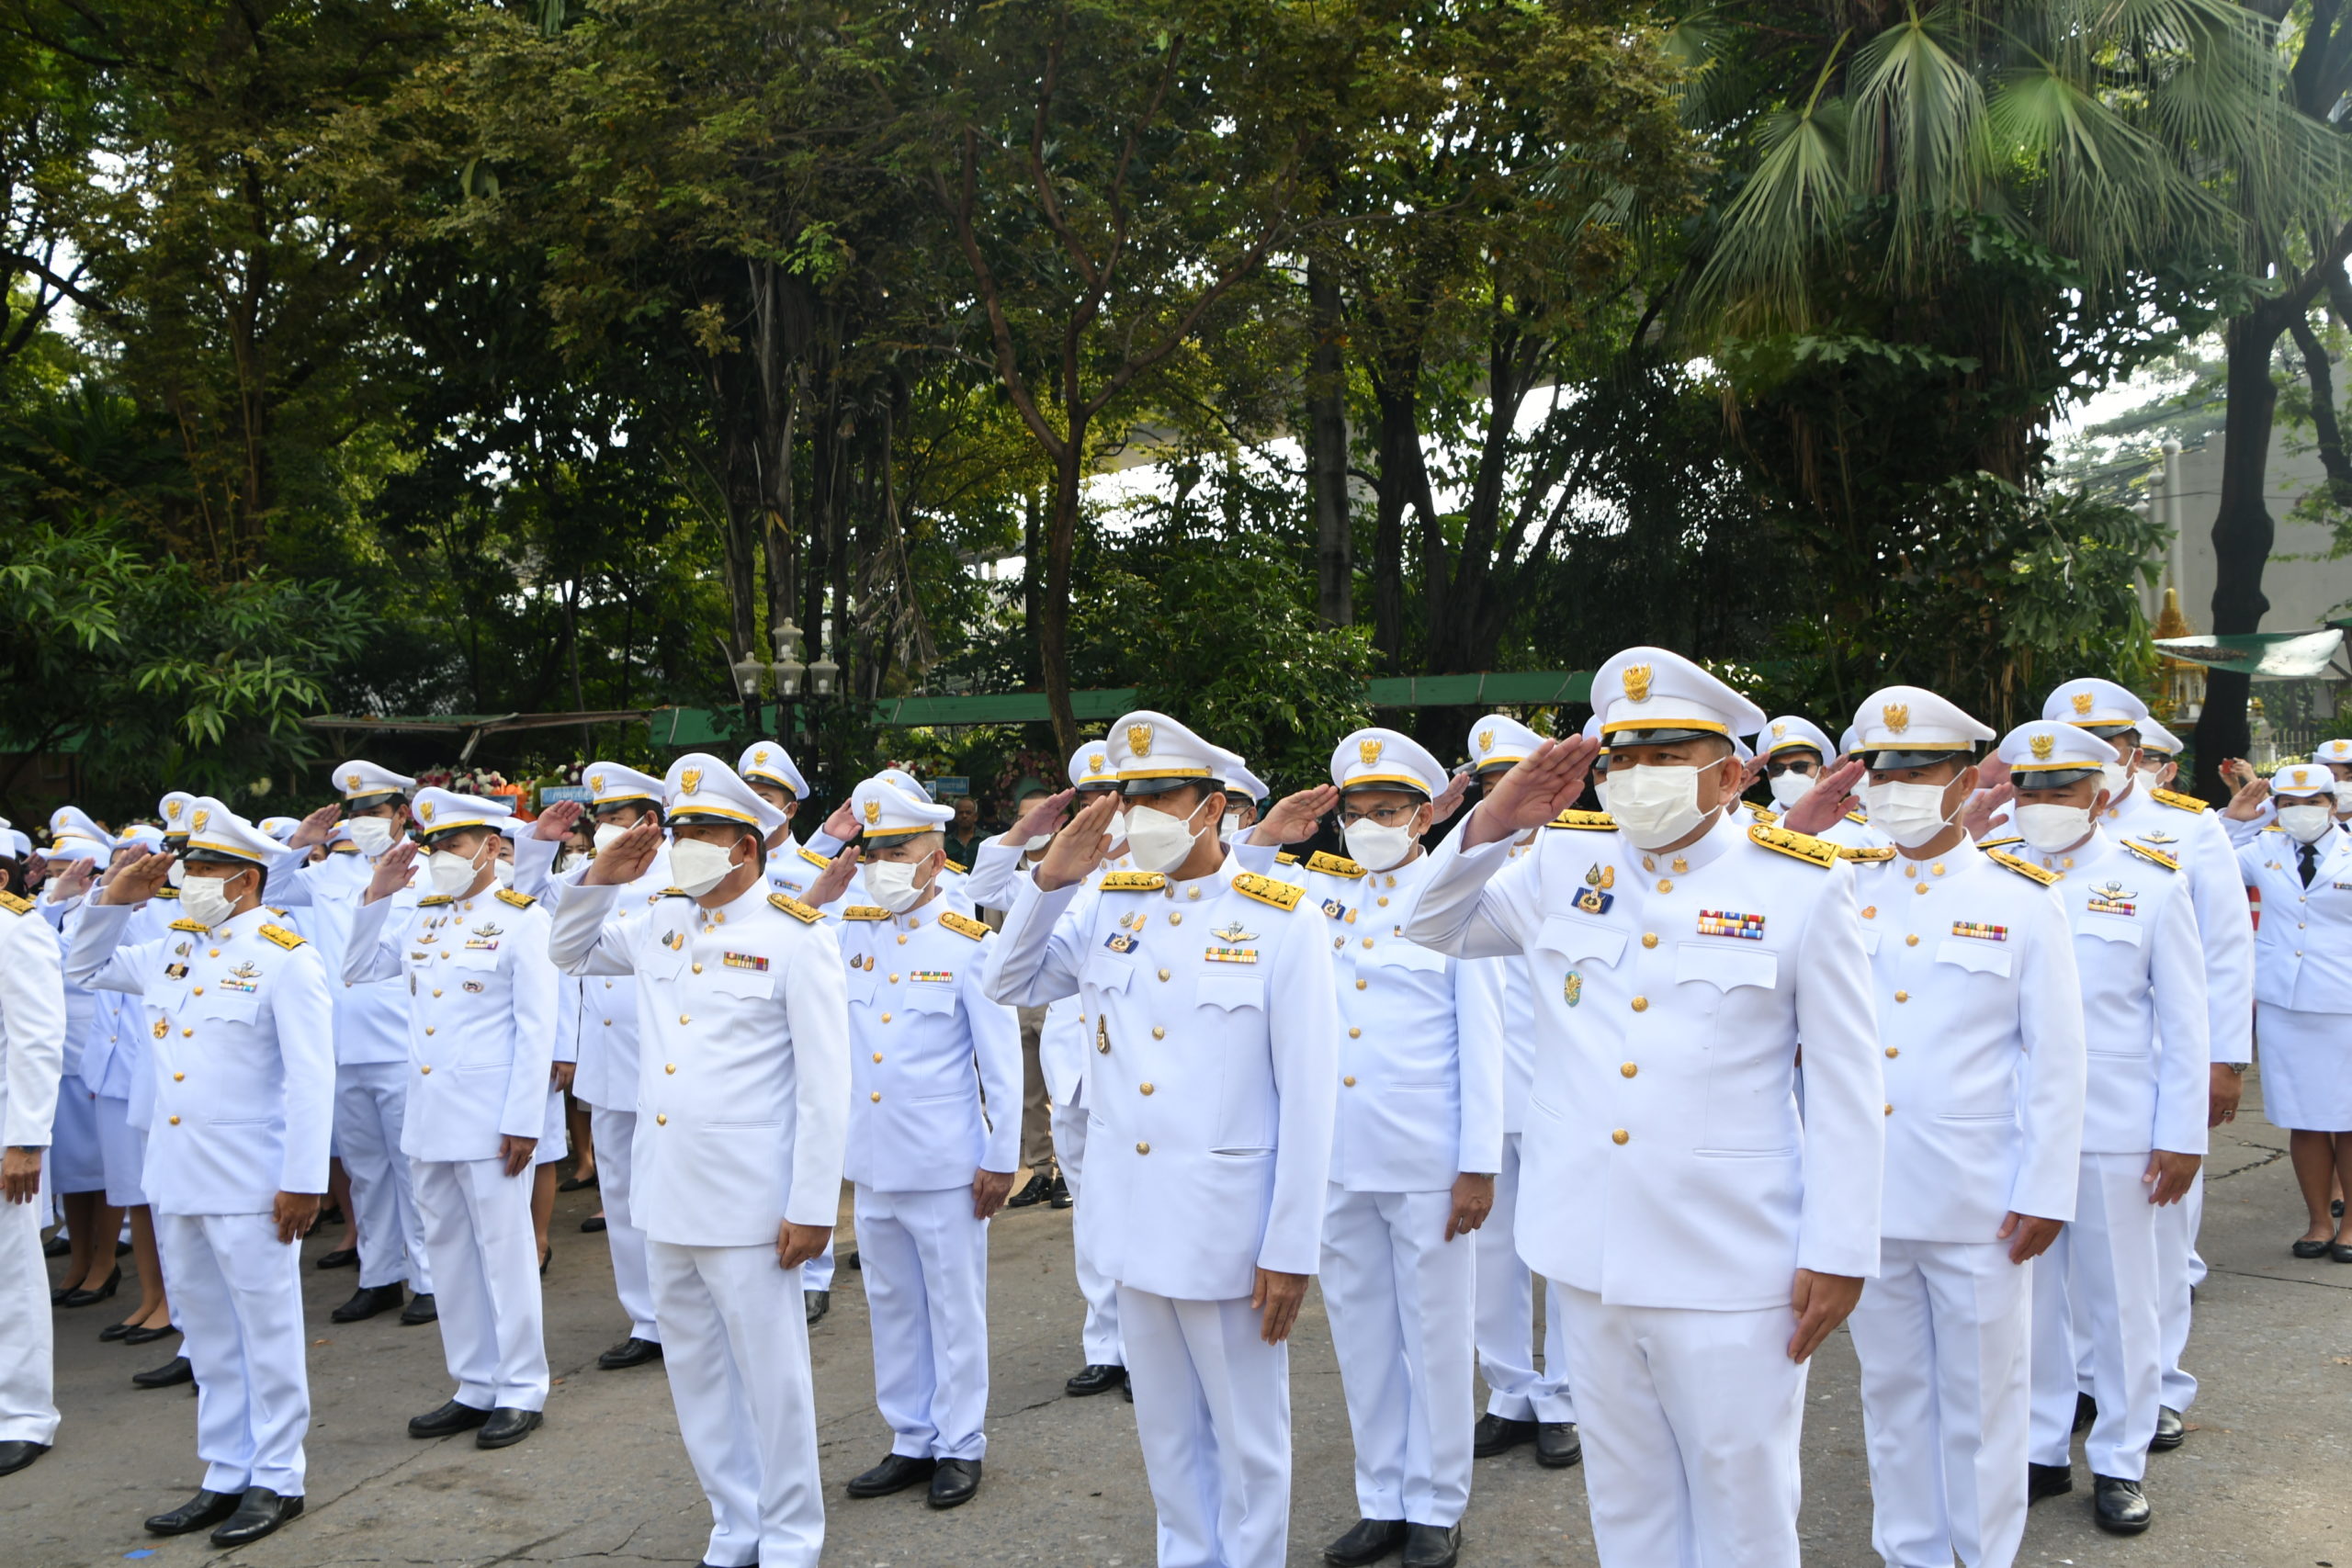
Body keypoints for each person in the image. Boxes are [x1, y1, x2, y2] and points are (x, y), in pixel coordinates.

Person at [1401, 647, 1884, 1568]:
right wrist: (1493, 820)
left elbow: (1846, 1084)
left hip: (1730, 1264)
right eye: (1621, 757)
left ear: (1730, 775)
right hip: (1588, 1255)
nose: (1637, 777)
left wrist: (1840, 1251)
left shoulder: (1800, 884)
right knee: (1628, 1513)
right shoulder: (1560, 864)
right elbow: (1432, 925)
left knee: (1744, 1516)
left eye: (1666, 755)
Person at [988, 711, 1340, 1568]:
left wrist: (1291, 1246)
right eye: (1130, 796)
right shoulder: (1108, 903)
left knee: (1250, 1447)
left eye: (1160, 796)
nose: (1138, 813)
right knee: (1169, 1441)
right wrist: (1050, 881)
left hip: (1230, 1234)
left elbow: (1309, 1097)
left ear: (1211, 807)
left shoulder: (1281, 918)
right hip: (1132, 1223)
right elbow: (1008, 979)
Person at [549, 752, 849, 1568]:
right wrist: (600, 876)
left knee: (773, 1379)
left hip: (752, 1203)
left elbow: (826, 1088)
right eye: (677, 830)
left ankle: (791, 1537)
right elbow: (568, 950)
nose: (681, 846)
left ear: (744, 846)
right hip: (666, 1192)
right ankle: (734, 1520)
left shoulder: (797, 938)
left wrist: (812, 1206)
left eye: (700, 832)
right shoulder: (660, 923)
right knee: (695, 1371)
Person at [1839, 690, 2086, 1568]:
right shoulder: (1842, 886)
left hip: (1979, 1198)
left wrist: (2047, 1188)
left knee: (1985, 1402)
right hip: (1868, 1196)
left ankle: (1983, 1555)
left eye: (1919, 771)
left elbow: (2057, 1058)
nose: (1895, 787)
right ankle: (1909, 1552)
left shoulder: (2022, 898)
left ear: (1966, 779)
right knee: (1892, 1395)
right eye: (1882, 771)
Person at [1261, 728, 1500, 1568]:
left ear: (1425, 815)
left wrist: (1478, 1163)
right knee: (1362, 1339)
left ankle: (1437, 1503)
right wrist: (1267, 835)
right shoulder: (1315, 893)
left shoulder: (1456, 892)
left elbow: (1483, 1036)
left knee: (1437, 1338)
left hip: (1428, 1159)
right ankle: (1383, 1498)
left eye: (1387, 811)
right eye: (1356, 813)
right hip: (1339, 1157)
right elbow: (1237, 894)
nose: (1368, 826)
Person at [68, 800, 334, 1545]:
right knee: (209, 1335)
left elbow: (313, 1078)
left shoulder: (285, 956)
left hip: (253, 1182)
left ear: (246, 879)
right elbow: (80, 966)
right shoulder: (171, 947)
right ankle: (225, 1468)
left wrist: (303, 1179)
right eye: (189, 866)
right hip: (178, 1176)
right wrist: (111, 900)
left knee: (267, 1333)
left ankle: (278, 1476)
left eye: (207, 867)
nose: (190, 878)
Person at [1990, 718, 2208, 1535]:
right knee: (2028, 1299)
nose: (2042, 800)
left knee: (2121, 1301)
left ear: (2100, 792)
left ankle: (2120, 1458)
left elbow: (2184, 1021)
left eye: (2062, 786)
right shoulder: (1992, 874)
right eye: (2029, 786)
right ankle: (2042, 1446)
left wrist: (2181, 1133)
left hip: (2113, 1125)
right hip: (2012, 1127)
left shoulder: (2149, 882)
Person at [2039, 679, 2250, 1457]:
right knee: (2055, 1263)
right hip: (2050, 1084)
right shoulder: (2022, 830)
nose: (2099, 754)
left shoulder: (2186, 830)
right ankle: (2078, 1386)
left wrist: (2222, 1061)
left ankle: (2157, 1387)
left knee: (2153, 1252)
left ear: (2134, 750)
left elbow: (2224, 951)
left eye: (2112, 742)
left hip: (2150, 1073)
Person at [345, 786, 557, 1450]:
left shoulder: (522, 920)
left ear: (491, 847)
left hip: (492, 1121)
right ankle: (474, 1382)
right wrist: (377, 894)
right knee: (448, 1255)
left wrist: (524, 1120)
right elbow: (357, 967)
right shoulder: (425, 917)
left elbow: (536, 1029)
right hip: (430, 1118)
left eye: (453, 844)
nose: (440, 855)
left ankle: (521, 1387)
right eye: (434, 844)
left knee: (505, 1254)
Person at [831, 775, 1021, 1509]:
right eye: (873, 850)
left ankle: (960, 1442)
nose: (881, 864)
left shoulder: (969, 943)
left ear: (936, 859)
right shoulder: (851, 930)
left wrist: (1001, 1156)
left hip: (946, 1165)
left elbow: (1001, 1063)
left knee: (953, 1307)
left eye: (897, 850)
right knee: (892, 1305)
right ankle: (910, 1436)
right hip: (874, 1160)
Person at [964, 744, 1135, 1396]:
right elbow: (984, 888)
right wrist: (1026, 832)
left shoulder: (1156, 873)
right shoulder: (1063, 873)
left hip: (1133, 1077)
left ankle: (1146, 1345)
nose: (1102, 811)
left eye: (1113, 799)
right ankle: (1107, 1344)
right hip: (1073, 1071)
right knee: (1091, 1215)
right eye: (1088, 800)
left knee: (1139, 1209)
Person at [1454, 714, 1580, 1472]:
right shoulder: (1468, 864)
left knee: (1562, 1249)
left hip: (1562, 1089)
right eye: (1495, 784)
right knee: (1492, 1255)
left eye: (1517, 779)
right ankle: (1508, 1390)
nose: (1507, 794)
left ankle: (1563, 1396)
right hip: (1488, 1093)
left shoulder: (1581, 862)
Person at [270, 761, 438, 1327]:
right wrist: (299, 843)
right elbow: (267, 888)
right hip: (341, 1045)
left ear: (401, 814)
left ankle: (429, 1279)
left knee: (412, 1168)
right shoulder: (328, 873)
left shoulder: (428, 870)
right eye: (357, 811)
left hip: (401, 1040)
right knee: (365, 1171)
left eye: (375, 810)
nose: (364, 819)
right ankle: (379, 1275)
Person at [516, 764, 671, 1370]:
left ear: (649, 820)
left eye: (616, 816)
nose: (604, 827)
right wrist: (540, 839)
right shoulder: (588, 874)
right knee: (623, 1198)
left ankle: (687, 1309)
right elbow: (528, 896)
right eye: (600, 817)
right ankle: (647, 1319)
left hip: (663, 1061)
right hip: (608, 1062)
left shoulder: (680, 872)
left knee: (672, 1194)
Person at [2227, 762, 2352, 1258]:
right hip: (2287, 1003)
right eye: (2289, 804)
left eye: (2312, 803)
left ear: (2333, 805)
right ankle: (2318, 1223)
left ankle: (2351, 1226)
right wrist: (2235, 821)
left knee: (2349, 1118)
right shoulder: (2262, 850)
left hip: (2346, 1003)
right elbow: (2198, 870)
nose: (2301, 812)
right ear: (2275, 808)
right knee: (2304, 1117)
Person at [37, 807, 121, 1310]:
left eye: (63, 870)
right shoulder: (53, 908)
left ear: (90, 872)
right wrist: (53, 900)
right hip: (59, 1054)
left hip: (93, 1050)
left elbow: (65, 960)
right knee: (72, 1169)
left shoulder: (107, 908)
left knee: (103, 1169)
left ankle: (106, 1260)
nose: (54, 879)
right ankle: (79, 1259)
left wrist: (56, 904)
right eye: (50, 871)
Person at [0, 837, 64, 1478]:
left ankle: (22, 1415)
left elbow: (37, 1040)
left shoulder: (16, 931)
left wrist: (24, 1140)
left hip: (2, 1136)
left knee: (9, 1276)